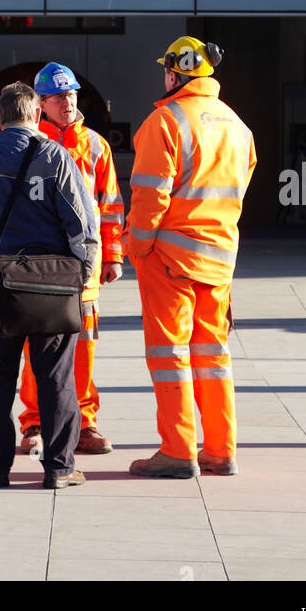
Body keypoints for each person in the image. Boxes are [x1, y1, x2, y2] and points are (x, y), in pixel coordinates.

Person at [0, 81, 99, 490]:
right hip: (53, 288)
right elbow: (83, 226)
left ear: (0, 118)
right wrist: (79, 277)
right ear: (36, 116)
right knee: (56, 378)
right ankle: (60, 467)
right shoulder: (57, 156)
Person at [124, 36, 256, 479]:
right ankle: (220, 450)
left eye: (167, 69)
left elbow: (148, 197)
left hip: (170, 260)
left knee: (169, 355)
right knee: (212, 355)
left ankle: (178, 451)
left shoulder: (164, 122)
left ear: (177, 73)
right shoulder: (238, 126)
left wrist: (135, 247)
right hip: (219, 260)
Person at [18, 63, 124, 458]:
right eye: (59, 97)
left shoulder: (95, 145)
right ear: (41, 103)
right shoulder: (26, 142)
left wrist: (113, 254)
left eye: (72, 94)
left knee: (84, 348)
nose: (68, 102)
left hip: (84, 268)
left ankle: (83, 422)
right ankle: (34, 422)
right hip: (41, 265)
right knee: (35, 345)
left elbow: (110, 206)